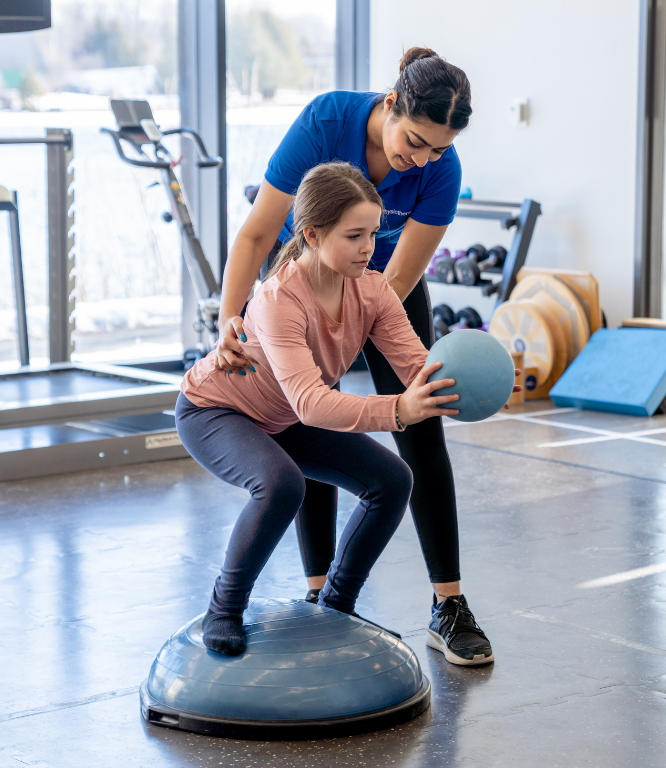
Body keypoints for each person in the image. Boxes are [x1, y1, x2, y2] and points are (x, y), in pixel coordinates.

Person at [212, 47, 494, 665]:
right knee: (308, 414)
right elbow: (259, 232)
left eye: (436, 150)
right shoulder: (324, 123)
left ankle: (448, 604)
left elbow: (394, 280)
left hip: (382, 283)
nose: (420, 159)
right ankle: (320, 595)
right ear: (391, 105)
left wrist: (360, 328)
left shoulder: (440, 169)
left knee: (422, 432)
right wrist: (229, 320)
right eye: (415, 141)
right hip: (303, 274)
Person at [177, 162, 462, 656]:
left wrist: (465, 386)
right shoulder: (277, 298)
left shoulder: (372, 291)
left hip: (282, 416)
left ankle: (336, 606)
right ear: (312, 233)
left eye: (373, 233)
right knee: (281, 485)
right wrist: (399, 410)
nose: (368, 248)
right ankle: (223, 609)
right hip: (216, 411)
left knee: (392, 480)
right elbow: (311, 402)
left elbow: (417, 365)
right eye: (354, 236)